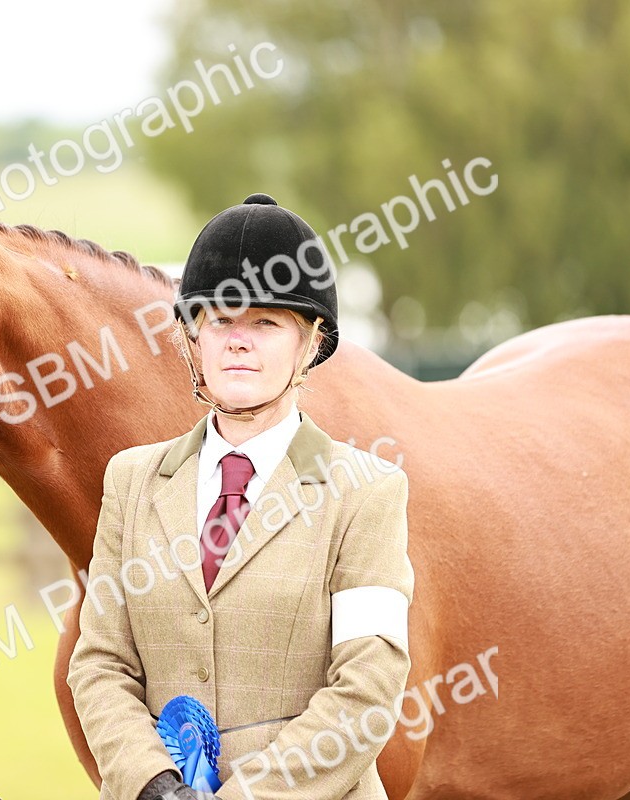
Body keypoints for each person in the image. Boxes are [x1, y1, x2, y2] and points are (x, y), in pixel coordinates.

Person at [67, 194, 414, 800]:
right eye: (220, 320)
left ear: (310, 343)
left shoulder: (368, 492)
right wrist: (153, 783)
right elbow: (100, 663)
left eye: (266, 323)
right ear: (192, 338)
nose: (237, 341)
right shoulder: (131, 481)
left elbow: (368, 686)